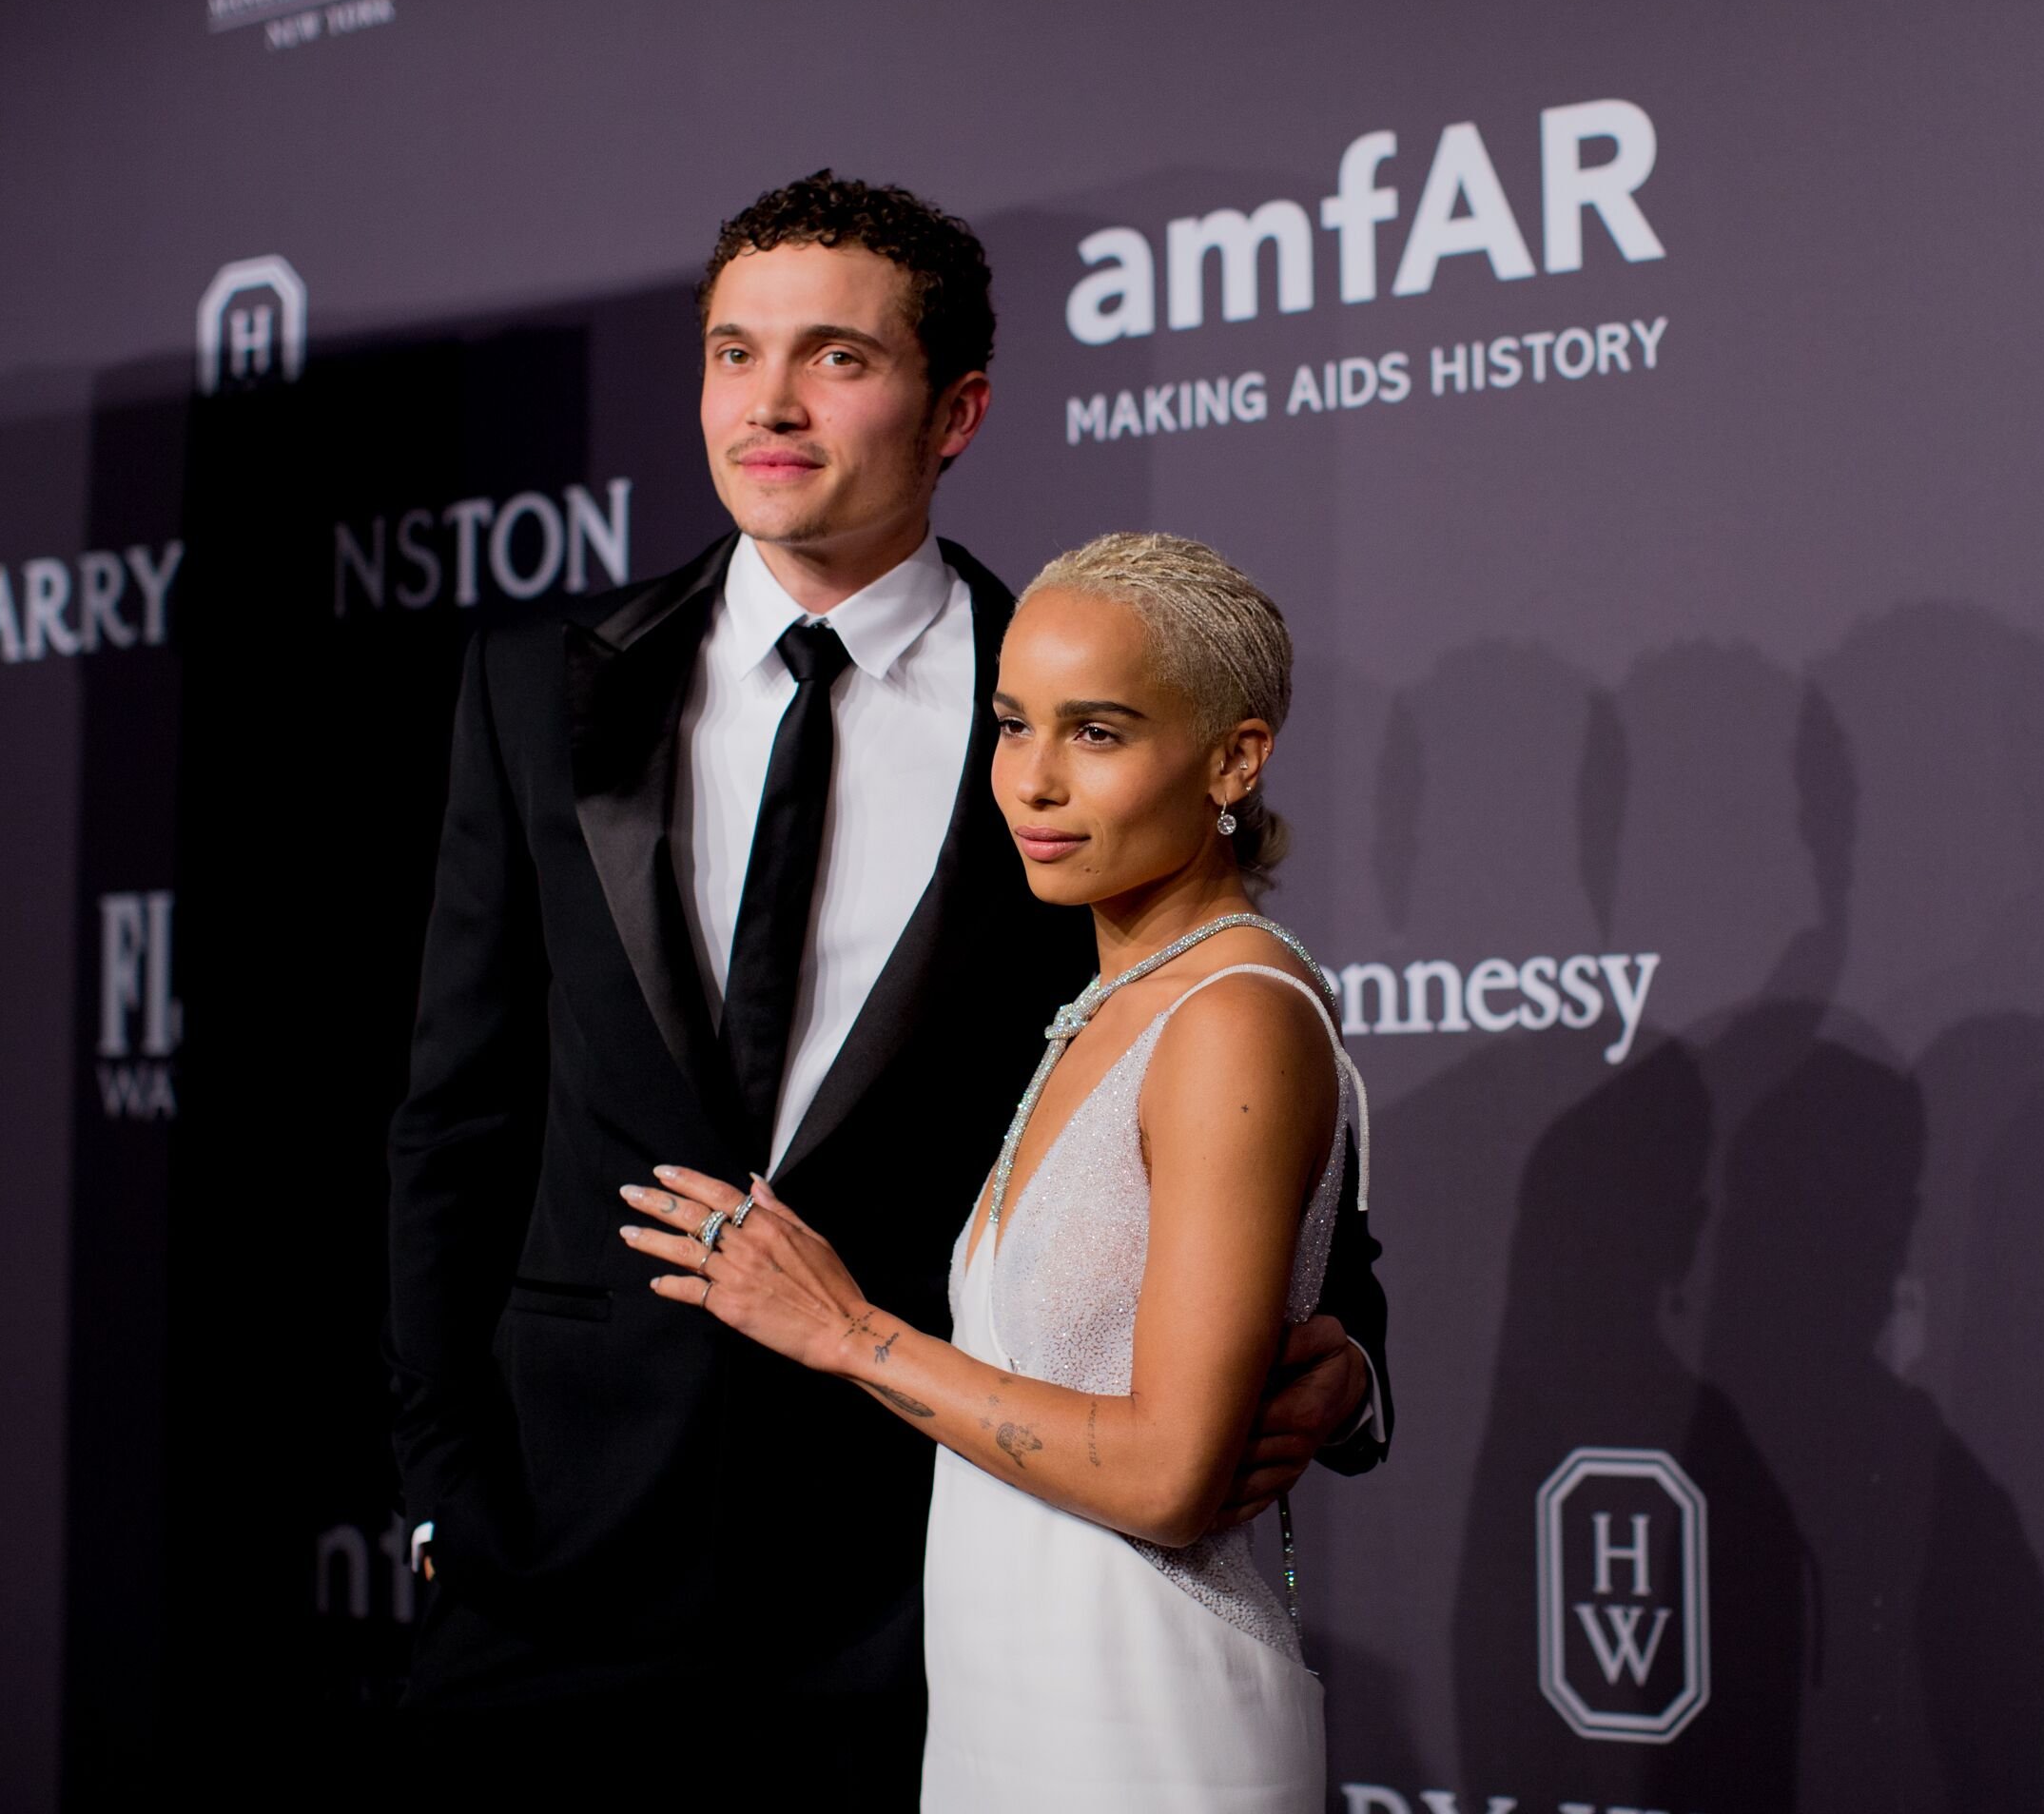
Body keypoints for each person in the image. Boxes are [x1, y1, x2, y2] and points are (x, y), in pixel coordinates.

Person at [384, 174, 1392, 1805]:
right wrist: (445, 1493)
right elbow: (459, 1117)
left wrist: (1352, 1350)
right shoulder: (540, 689)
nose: (769, 404)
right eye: (732, 351)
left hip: (907, 1584)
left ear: (957, 411)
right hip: (548, 1568)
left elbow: (1208, 1061)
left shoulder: (1067, 717)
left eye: (837, 357)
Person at [629, 532, 1358, 1810]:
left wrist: (850, 1334)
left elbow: (1169, 1480)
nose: (1031, 781)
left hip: (1143, 1718)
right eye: (1013, 725)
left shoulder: (1233, 1016)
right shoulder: (1102, 995)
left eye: (1098, 733)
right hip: (999, 1706)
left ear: (1234, 760)